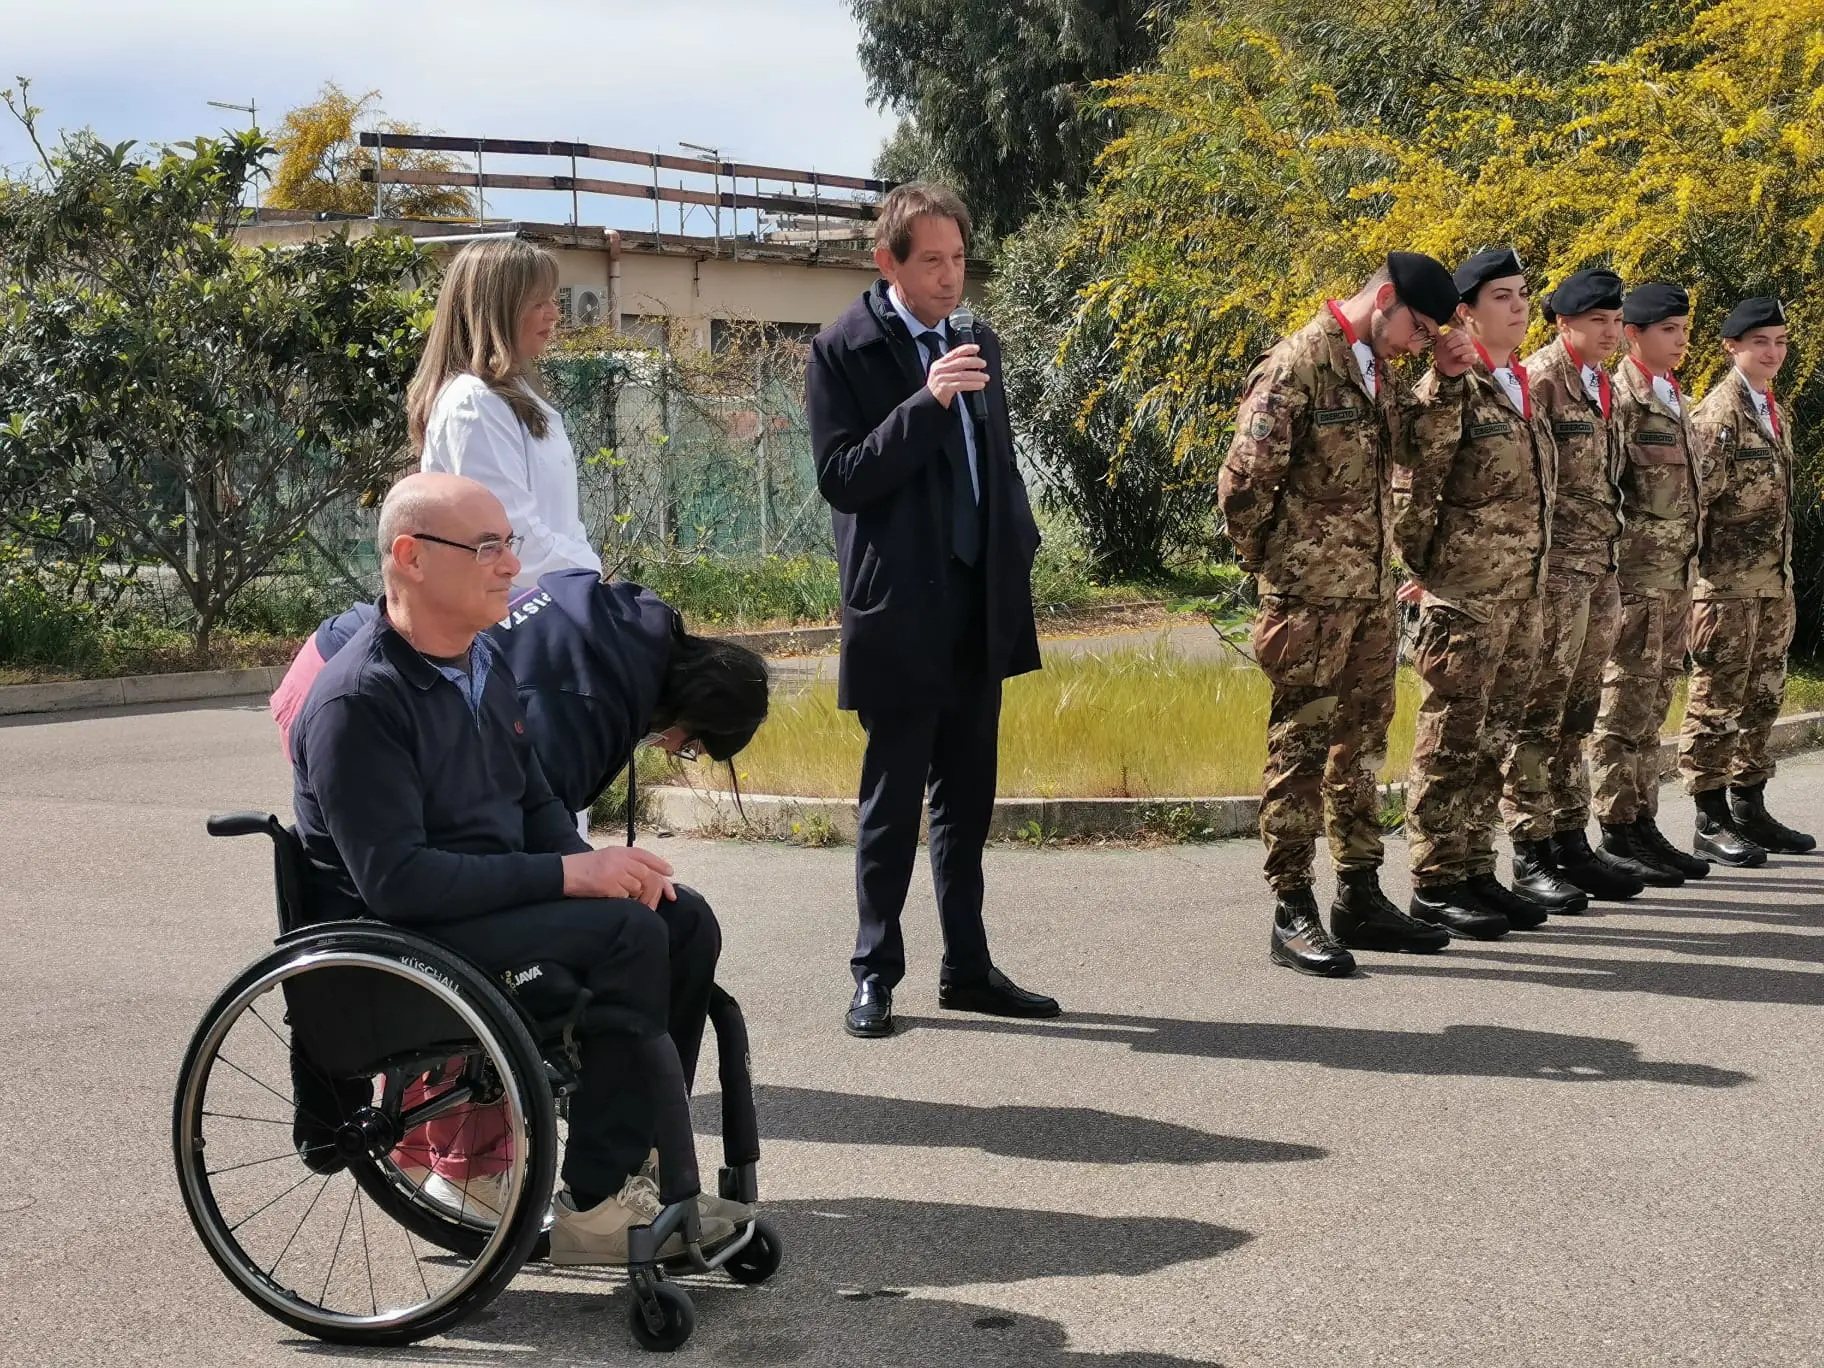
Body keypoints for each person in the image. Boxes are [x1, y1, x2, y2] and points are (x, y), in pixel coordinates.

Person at [289, 471, 733, 1265]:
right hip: (407, 945)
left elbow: (533, 809)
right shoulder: (358, 700)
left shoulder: (483, 665)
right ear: (411, 558)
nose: (508, 566)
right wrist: (571, 881)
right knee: (629, 938)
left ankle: (643, 1157)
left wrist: (598, 866)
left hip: (481, 915)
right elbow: (399, 883)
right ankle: (597, 1205)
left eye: (509, 544)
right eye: (486, 546)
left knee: (681, 917)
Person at [806, 182, 1058, 1038]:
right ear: (889, 263)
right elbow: (842, 477)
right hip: (900, 607)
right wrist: (928, 401)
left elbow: (998, 463)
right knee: (893, 800)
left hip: (976, 599)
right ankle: (875, 972)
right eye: (933, 262)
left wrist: (1016, 544)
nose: (953, 279)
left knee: (968, 800)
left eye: (959, 259)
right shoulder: (844, 347)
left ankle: (969, 966)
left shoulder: (976, 336)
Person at [1218, 252, 1468, 977]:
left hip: (1367, 597)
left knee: (1359, 750)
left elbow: (1417, 447)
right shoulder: (1299, 364)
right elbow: (1243, 482)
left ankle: (1358, 892)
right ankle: (1291, 906)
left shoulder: (1373, 369)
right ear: (1384, 299)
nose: (1414, 343)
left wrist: (1445, 379)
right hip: (1308, 601)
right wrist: (1280, 572)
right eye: (1416, 329)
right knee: (1299, 747)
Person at [1394, 247, 1555, 940]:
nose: (1519, 307)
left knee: (1495, 738)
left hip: (1519, 596)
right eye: (1502, 297)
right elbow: (1414, 489)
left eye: (1523, 295)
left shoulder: (1518, 384)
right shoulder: (1450, 387)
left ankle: (1474, 867)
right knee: (1450, 739)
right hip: (1465, 598)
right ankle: (1434, 882)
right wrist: (1433, 575)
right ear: (1465, 312)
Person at [1502, 268, 1646, 906]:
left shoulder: (1601, 385)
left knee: (1578, 712)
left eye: (1616, 322)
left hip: (1598, 570)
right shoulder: (1539, 382)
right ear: (1564, 323)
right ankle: (1529, 849)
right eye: (1598, 322)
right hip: (1553, 575)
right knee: (1540, 712)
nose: (1611, 333)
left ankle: (1569, 839)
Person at [1679, 296, 1816, 859]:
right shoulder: (1720, 414)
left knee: (1762, 696)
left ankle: (1749, 805)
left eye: (1781, 341)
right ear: (1732, 346)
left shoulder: (1768, 407)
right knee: (1717, 700)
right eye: (1761, 341)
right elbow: (1697, 503)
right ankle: (1708, 817)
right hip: (1727, 588)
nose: (1773, 352)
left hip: (1770, 585)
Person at [1589, 283, 1712, 886]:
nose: (1681, 339)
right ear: (1634, 335)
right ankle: (1615, 828)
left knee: (1653, 702)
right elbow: (1607, 492)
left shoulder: (1672, 397)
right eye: (1669, 329)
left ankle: (1641, 821)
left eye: (1684, 329)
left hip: (1674, 580)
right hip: (1635, 578)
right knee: (1622, 705)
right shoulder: (1624, 400)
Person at [407, 237, 603, 588]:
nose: (554, 314)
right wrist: (589, 582)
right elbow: (512, 540)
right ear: (498, 309)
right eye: (538, 303)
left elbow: (562, 524)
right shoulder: (474, 403)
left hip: (550, 600)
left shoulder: (514, 394)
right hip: (514, 616)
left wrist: (588, 578)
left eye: (553, 300)